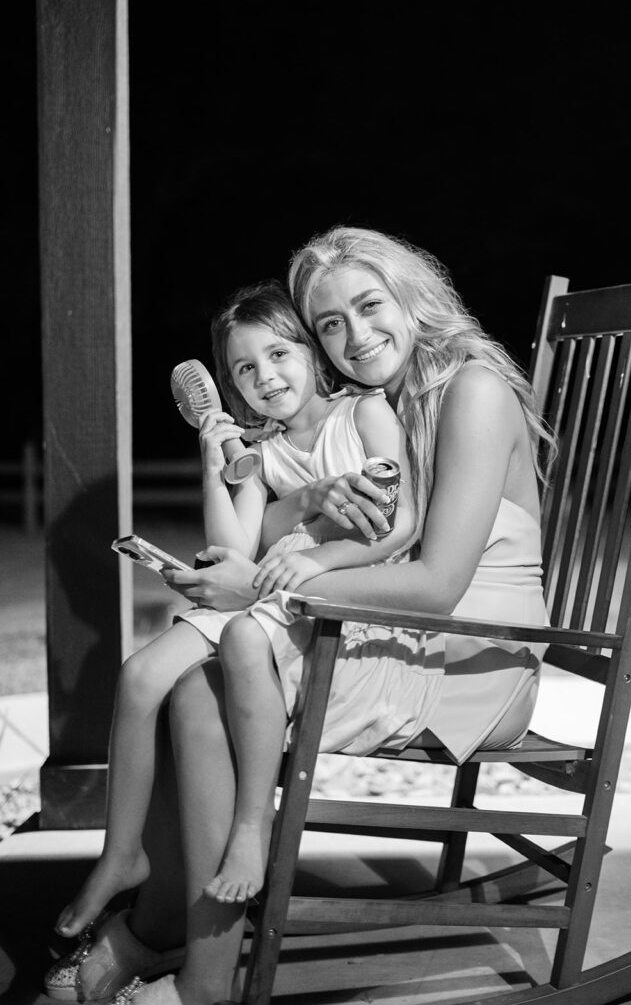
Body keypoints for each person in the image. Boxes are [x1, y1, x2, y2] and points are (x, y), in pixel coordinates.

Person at [47, 226, 554, 1005]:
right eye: (329, 323)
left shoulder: (471, 391)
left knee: (204, 692)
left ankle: (194, 967)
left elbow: (437, 584)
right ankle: (165, 918)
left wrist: (279, 586)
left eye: (369, 306)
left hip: (468, 659)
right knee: (185, 680)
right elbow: (313, 524)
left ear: (412, 296)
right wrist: (282, 541)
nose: (355, 336)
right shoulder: (393, 401)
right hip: (404, 634)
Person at [45, 277, 414, 1000]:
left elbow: (396, 523)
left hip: (332, 595)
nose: (264, 377)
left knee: (194, 666)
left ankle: (236, 840)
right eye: (245, 369)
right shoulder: (264, 450)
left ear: (312, 353)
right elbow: (232, 547)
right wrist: (219, 465)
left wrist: (304, 531)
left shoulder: (363, 411)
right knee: (140, 674)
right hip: (267, 588)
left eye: (278, 354)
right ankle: (122, 855)